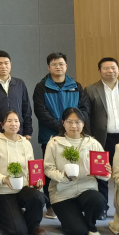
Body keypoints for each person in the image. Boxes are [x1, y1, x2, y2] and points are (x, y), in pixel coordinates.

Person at [32, 51, 90, 218]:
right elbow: (40, 111)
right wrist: (61, 127)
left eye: (61, 64)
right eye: (54, 64)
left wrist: (73, 126)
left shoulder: (76, 86)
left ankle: (74, 201)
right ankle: (50, 205)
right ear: (49, 67)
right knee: (50, 169)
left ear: (66, 66)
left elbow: (85, 109)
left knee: (75, 166)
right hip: (50, 135)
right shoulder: (41, 87)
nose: (58, 67)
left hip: (75, 135)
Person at [84, 57, 119, 217]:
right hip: (101, 139)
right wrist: (89, 138)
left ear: (118, 69)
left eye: (113, 68)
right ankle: (102, 208)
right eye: (106, 68)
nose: (110, 71)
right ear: (99, 71)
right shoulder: (90, 90)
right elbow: (87, 117)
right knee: (102, 174)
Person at [44, 108, 109, 235]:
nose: (74, 126)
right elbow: (48, 169)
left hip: (86, 189)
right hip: (62, 193)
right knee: (77, 230)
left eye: (77, 122)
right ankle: (75, 218)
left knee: (98, 200)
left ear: (83, 123)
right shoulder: (54, 143)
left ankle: (91, 226)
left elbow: (104, 175)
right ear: (63, 123)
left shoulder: (93, 143)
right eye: (69, 122)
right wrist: (63, 176)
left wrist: (106, 172)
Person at [0, 110, 46, 235]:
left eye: (16, 121)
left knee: (38, 197)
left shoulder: (26, 143)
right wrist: (3, 179)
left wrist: (35, 182)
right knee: (19, 232)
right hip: (4, 191)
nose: (13, 124)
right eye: (9, 121)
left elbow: (32, 167)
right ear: (2, 124)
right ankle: (0, 216)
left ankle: (33, 225)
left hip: (23, 188)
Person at [0, 50, 33, 145]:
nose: (3, 66)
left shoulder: (19, 84)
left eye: (6, 63)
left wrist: (28, 131)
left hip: (18, 132)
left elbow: (26, 109)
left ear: (10, 64)